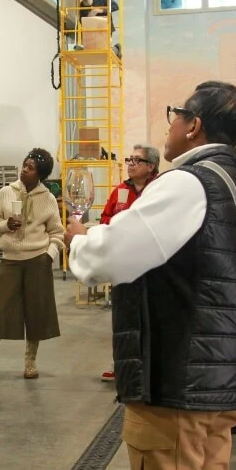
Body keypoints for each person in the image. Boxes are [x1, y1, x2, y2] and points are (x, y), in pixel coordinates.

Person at [65, 81, 236, 470]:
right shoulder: (232, 180)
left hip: (177, 379)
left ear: (194, 125)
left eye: (175, 116)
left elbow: (111, 257)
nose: (169, 126)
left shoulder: (186, 182)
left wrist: (79, 241)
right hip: (214, 374)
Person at [0, 148, 65, 380]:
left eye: (31, 168)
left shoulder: (48, 199)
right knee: (0, 310)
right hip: (11, 261)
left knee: (35, 312)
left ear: (40, 175)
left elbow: (57, 232)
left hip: (38, 261)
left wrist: (48, 255)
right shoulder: (6, 192)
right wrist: (5, 225)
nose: (24, 170)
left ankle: (30, 362)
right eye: (24, 165)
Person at [98, 144, 159, 382]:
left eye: (137, 160)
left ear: (151, 166)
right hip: (123, 264)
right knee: (124, 317)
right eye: (129, 160)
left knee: (151, 316)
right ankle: (121, 364)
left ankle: (151, 366)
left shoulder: (159, 190)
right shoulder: (120, 190)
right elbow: (105, 217)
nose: (131, 164)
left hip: (152, 265)